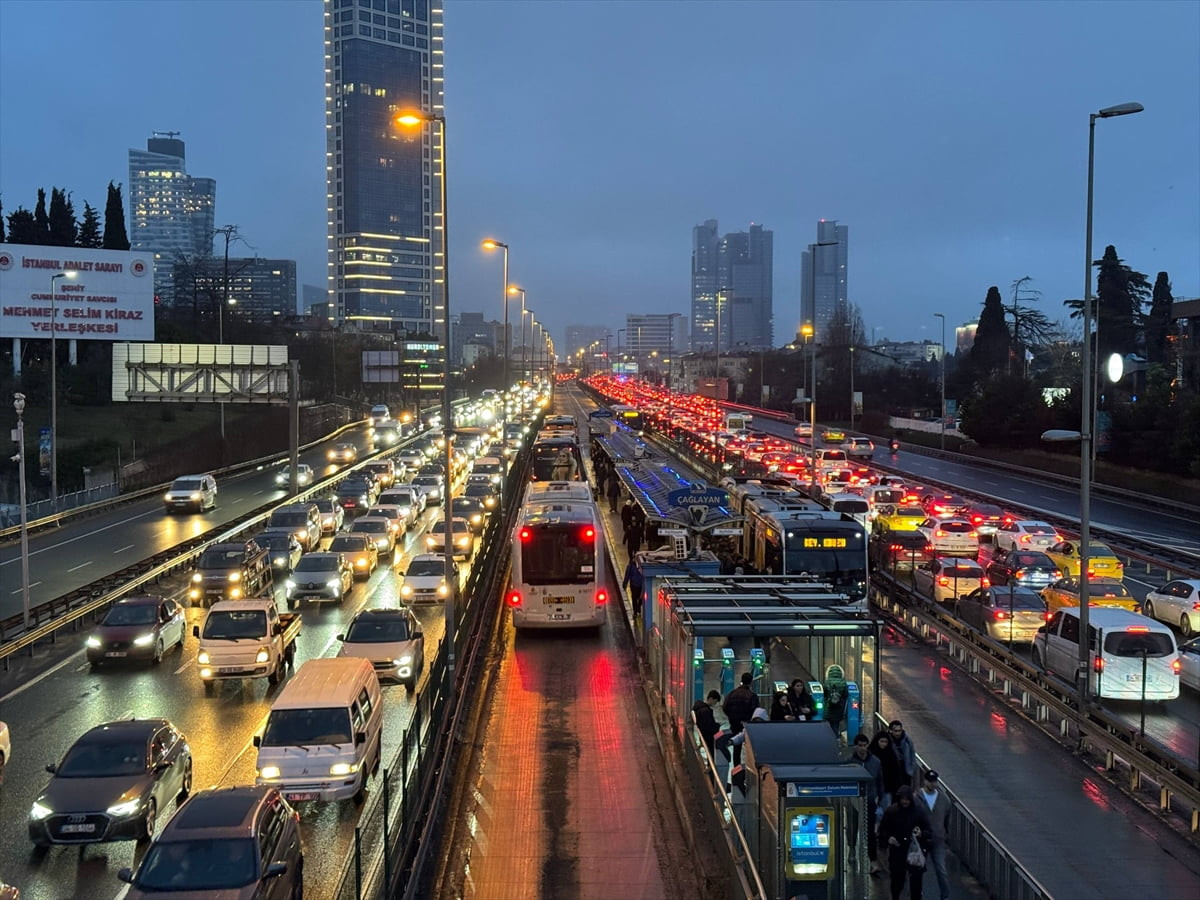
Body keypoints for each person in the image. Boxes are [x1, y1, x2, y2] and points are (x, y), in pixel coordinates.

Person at [878, 785, 932, 900]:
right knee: (897, 881)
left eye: (906, 799)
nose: (904, 801)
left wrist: (921, 833)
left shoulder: (917, 812)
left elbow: (929, 831)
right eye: (902, 799)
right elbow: (882, 830)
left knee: (915, 884)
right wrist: (888, 839)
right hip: (899, 851)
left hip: (911, 851)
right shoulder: (892, 811)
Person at [849, 733, 884, 875]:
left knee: (870, 831)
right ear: (856, 746)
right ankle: (852, 848)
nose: (862, 748)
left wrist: (879, 799)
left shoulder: (875, 762)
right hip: (853, 799)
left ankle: (872, 859)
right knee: (853, 826)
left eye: (865, 745)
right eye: (860, 745)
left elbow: (880, 781)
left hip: (869, 800)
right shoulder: (850, 761)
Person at [918, 770, 952, 900]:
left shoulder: (944, 800)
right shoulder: (917, 798)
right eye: (930, 781)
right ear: (925, 781)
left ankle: (945, 896)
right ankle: (917, 893)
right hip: (921, 840)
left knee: (941, 870)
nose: (933, 784)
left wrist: (944, 833)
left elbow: (947, 818)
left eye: (934, 781)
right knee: (918, 869)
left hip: (938, 840)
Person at [721, 671, 758, 766]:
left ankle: (736, 769)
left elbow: (725, 707)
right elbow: (755, 712)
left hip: (734, 724)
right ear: (750, 682)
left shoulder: (732, 693)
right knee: (750, 749)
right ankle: (750, 770)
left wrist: (732, 717)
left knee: (737, 748)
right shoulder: (752, 696)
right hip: (747, 725)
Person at [869, 730, 904, 813]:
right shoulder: (870, 754)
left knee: (886, 812)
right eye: (881, 741)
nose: (883, 744)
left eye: (886, 742)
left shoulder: (891, 755)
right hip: (873, 789)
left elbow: (895, 773)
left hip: (887, 789)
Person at [888, 720, 917, 788]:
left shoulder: (907, 740)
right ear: (890, 730)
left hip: (905, 772)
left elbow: (912, 754)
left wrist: (911, 770)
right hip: (892, 773)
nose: (898, 733)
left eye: (899, 731)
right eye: (895, 731)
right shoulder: (887, 741)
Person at [692, 690, 721, 756]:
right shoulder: (706, 711)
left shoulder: (699, 707)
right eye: (715, 702)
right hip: (708, 737)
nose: (715, 704)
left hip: (703, 734)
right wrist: (717, 726)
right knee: (711, 753)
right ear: (711, 699)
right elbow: (709, 726)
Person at [823, 664, 848, 739]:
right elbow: (845, 695)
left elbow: (824, 694)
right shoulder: (843, 683)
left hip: (829, 708)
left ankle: (828, 741)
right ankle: (836, 742)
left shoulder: (827, 682)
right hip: (839, 709)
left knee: (828, 727)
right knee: (835, 726)